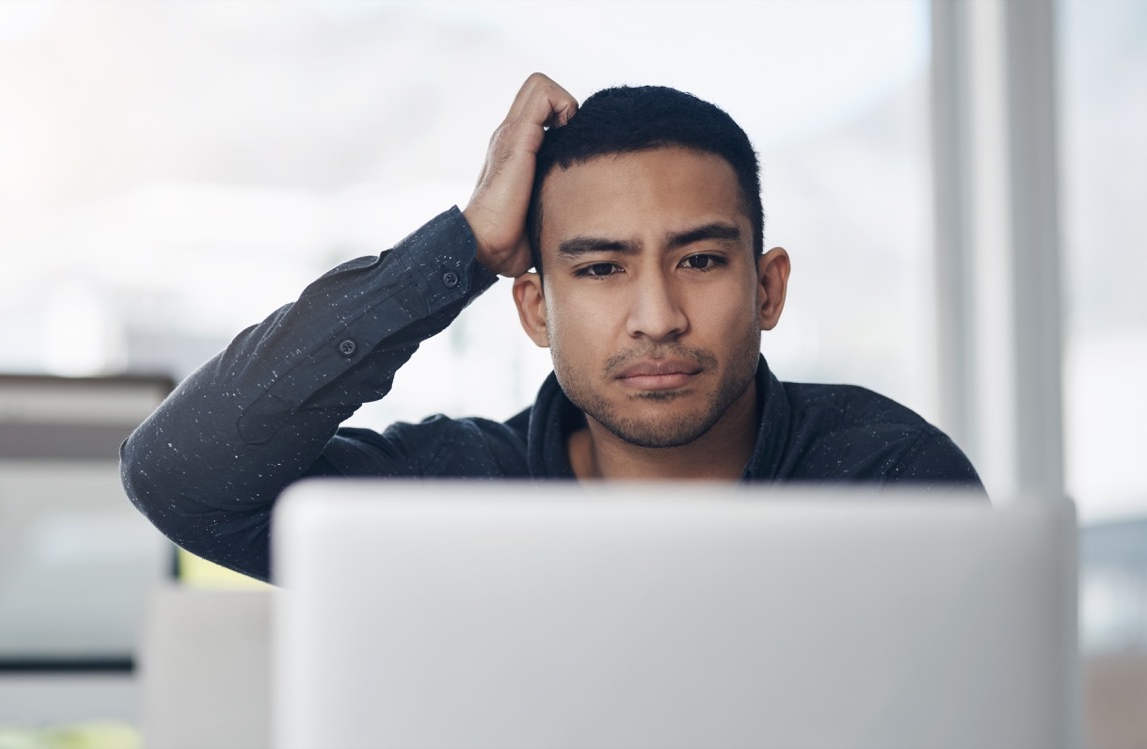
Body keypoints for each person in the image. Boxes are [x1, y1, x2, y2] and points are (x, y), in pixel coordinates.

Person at [121, 74, 983, 582]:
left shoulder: (889, 477)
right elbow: (181, 473)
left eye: (700, 261)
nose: (658, 318)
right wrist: (458, 248)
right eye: (601, 269)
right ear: (536, 308)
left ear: (768, 287)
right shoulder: (445, 501)